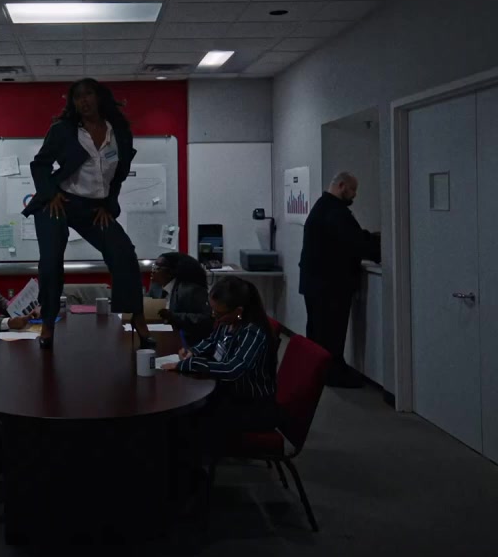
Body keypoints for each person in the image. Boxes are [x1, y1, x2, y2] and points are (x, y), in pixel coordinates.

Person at [23, 78, 155, 350]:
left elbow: (118, 176)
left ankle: (137, 318)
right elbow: (40, 165)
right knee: (51, 261)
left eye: (88, 94)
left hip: (94, 207)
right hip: (59, 202)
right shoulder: (64, 130)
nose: (83, 101)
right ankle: (48, 324)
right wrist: (51, 194)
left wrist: (108, 205)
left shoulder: (118, 132)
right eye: (77, 97)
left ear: (99, 97)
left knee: (123, 253)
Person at [161, 276, 279, 453]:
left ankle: (189, 464)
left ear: (238, 311)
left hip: (251, 405)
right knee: (181, 413)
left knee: (187, 419)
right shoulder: (228, 322)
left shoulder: (252, 333)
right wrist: (193, 351)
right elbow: (212, 341)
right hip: (227, 393)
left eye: (218, 313)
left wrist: (189, 364)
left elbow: (232, 369)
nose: (214, 316)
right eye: (212, 311)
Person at [298, 172, 382, 388]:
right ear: (342, 186)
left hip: (315, 283)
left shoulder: (322, 207)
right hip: (330, 285)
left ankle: (318, 371)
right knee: (331, 334)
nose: (355, 195)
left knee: (318, 332)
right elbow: (355, 242)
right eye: (353, 189)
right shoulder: (336, 212)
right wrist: (379, 247)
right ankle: (332, 374)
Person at [150, 252, 213, 347]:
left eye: (157, 268)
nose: (153, 271)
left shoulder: (190, 290)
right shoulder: (156, 287)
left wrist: (174, 317)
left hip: (188, 341)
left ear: (170, 273)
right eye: (153, 266)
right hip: (163, 336)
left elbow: (206, 319)